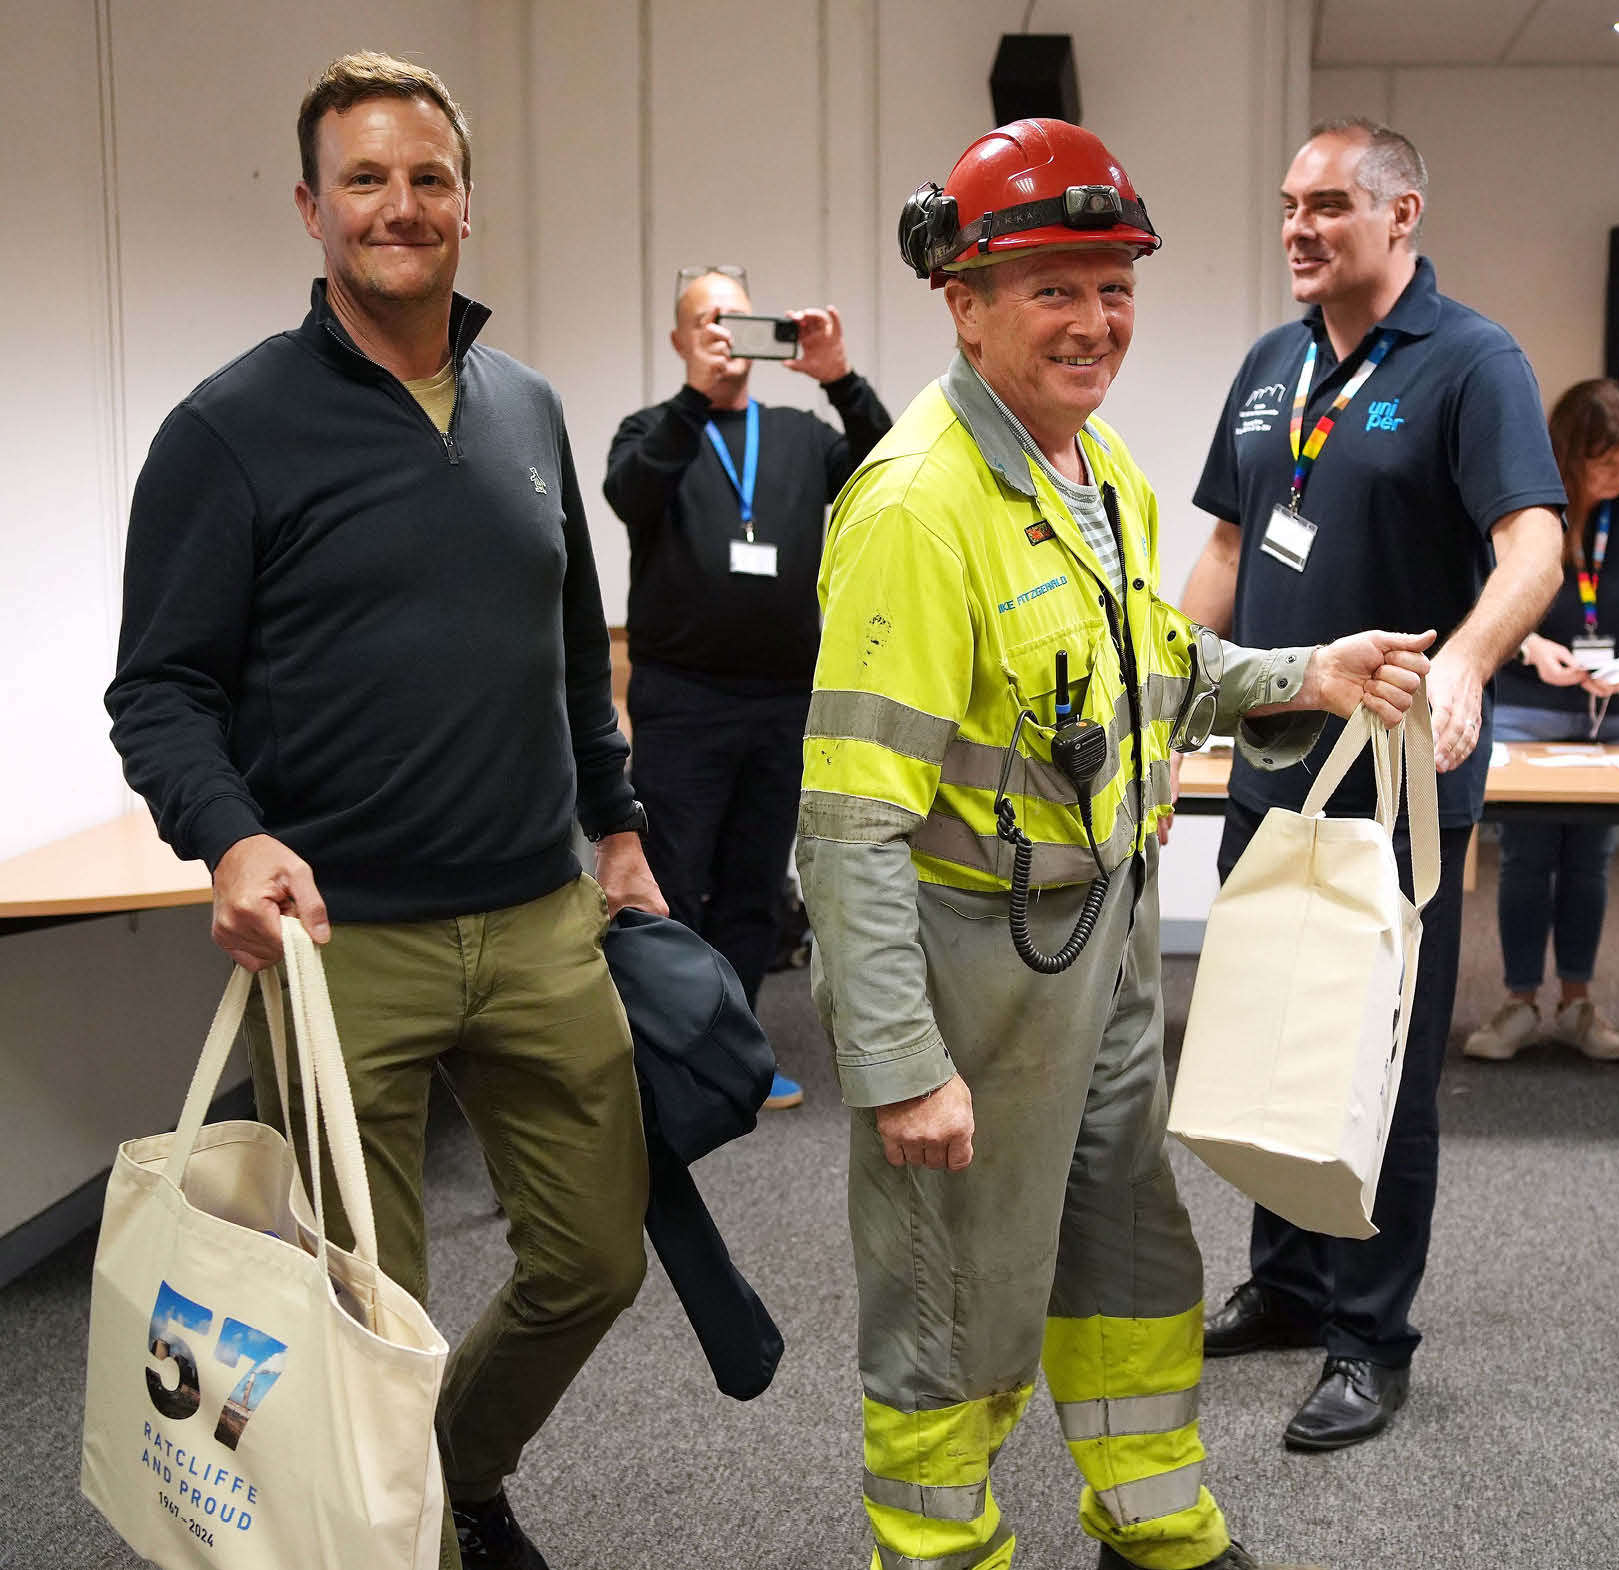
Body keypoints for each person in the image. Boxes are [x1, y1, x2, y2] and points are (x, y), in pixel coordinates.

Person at [799, 117, 1432, 1570]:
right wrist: (900, 1060)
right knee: (955, 1296)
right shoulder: (917, 505)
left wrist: (1307, 673)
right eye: (1053, 287)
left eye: (1117, 286)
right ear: (963, 302)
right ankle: (939, 1551)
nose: (1096, 322)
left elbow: (1159, 667)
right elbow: (847, 823)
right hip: (973, 971)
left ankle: (1154, 1526)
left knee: (1132, 1258)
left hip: (1107, 948)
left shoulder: (1102, 475)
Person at [104, 53, 657, 1570]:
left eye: (426, 178)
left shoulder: (527, 408)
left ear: (466, 205)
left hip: (542, 915)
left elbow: (569, 650)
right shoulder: (231, 430)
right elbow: (156, 690)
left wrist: (616, 828)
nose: (398, 206)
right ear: (311, 208)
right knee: (368, 1317)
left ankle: (450, 1476)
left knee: (599, 1253)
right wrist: (230, 835)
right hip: (346, 940)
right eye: (365, 179)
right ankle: (399, 1533)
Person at [1181, 116, 1565, 1451]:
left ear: (1403, 214)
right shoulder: (1267, 365)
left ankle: (1368, 1335)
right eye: (1289, 204)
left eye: (1330, 204)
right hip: (1271, 757)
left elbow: (1534, 547)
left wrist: (1466, 661)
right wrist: (1172, 685)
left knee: (1381, 1063)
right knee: (1267, 1020)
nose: (1299, 226)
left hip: (1402, 777)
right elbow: (1230, 546)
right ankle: (1286, 1285)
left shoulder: (1473, 363)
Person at [603, 270, 892, 1110]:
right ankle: (666, 1060)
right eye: (707, 322)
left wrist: (840, 376)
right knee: (672, 884)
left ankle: (734, 1057)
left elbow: (886, 467)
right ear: (680, 340)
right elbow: (631, 495)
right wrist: (694, 401)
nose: (725, 337)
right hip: (683, 700)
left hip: (784, 704)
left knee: (755, 891)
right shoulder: (652, 430)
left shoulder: (802, 435)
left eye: (738, 321)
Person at [1464, 380, 1619, 1065]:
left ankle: (1578, 1001)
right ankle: (1521, 1002)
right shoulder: (1535, 506)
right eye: (1603, 462)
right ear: (1569, 454)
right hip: (1532, 711)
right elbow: (1484, 596)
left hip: (1616, 721)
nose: (1617, 474)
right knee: (1528, 859)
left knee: (1591, 861)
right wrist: (1530, 647)